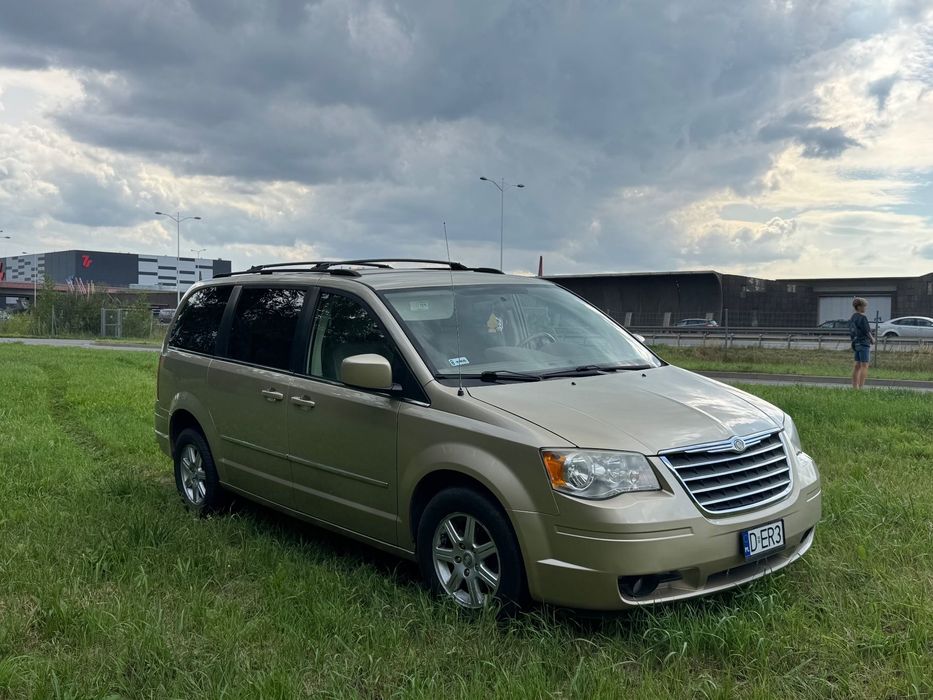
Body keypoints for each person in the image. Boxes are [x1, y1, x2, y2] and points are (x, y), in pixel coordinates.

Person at [848, 297, 874, 389]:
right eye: (864, 306)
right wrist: (872, 339)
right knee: (864, 365)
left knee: (857, 365)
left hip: (856, 343)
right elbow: (867, 331)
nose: (865, 308)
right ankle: (861, 386)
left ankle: (855, 387)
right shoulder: (863, 317)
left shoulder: (853, 317)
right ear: (859, 307)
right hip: (863, 343)